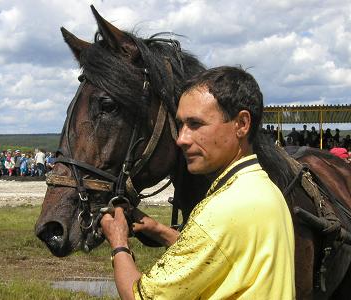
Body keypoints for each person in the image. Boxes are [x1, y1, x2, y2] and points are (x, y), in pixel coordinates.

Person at [101, 66, 295, 299]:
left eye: (195, 124)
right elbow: (222, 255)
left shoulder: (223, 210)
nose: (182, 139)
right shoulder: (265, 189)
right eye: (181, 124)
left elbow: (139, 296)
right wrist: (160, 231)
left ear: (242, 124)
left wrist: (118, 242)